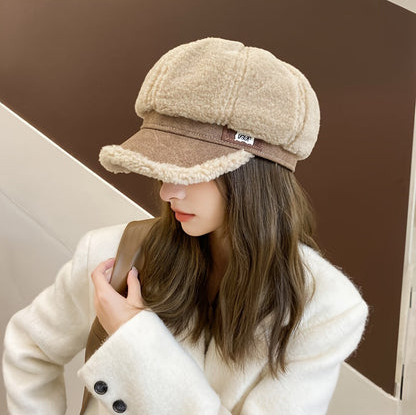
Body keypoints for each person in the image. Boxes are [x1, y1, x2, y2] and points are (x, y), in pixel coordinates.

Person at [3, 37, 368, 415]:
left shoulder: (325, 309)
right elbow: (29, 349)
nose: (167, 191)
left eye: (189, 170)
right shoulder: (113, 254)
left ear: (253, 176)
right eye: (163, 166)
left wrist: (134, 339)